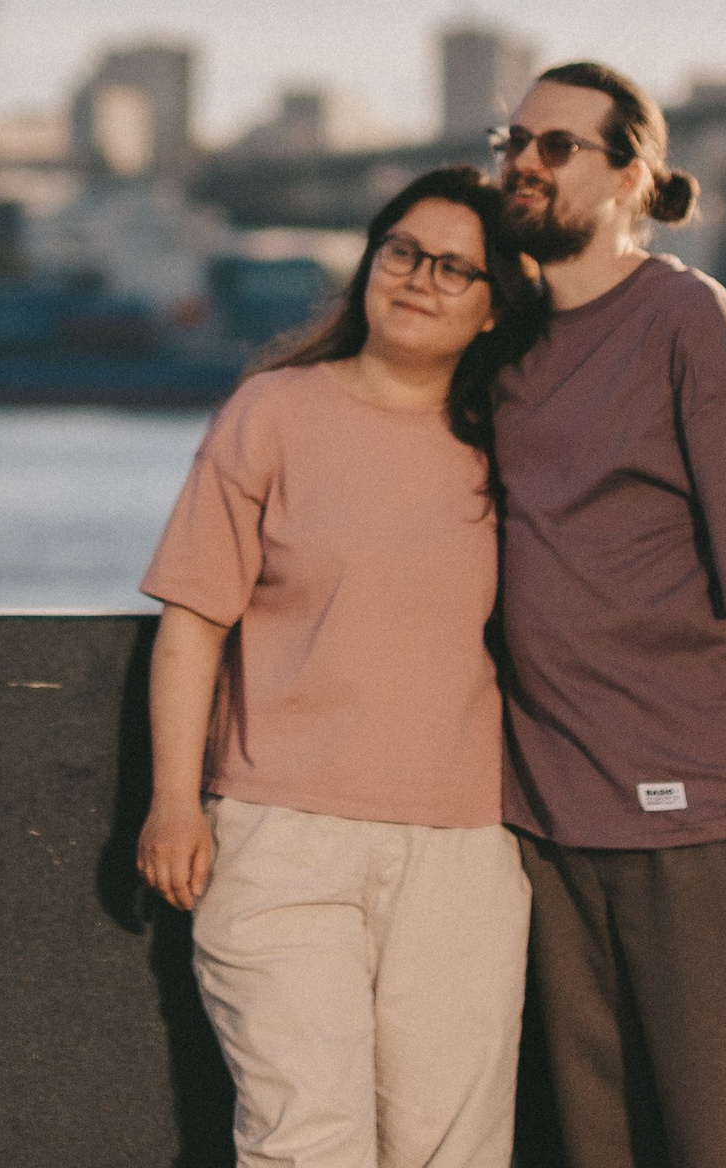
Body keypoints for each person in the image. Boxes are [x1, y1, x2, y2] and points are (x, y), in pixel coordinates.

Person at [135, 166, 548, 1168]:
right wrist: (173, 802)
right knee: (304, 1140)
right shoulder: (271, 411)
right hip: (278, 837)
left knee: (451, 1150)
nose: (419, 278)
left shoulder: (520, 449)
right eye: (403, 251)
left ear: (496, 309)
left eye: (456, 268)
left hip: (462, 849)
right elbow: (192, 620)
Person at [488, 61, 726, 1168]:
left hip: (687, 820)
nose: (521, 164)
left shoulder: (694, 322)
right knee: (596, 1150)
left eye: (555, 146)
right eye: (513, 140)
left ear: (630, 173)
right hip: (536, 823)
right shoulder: (499, 337)